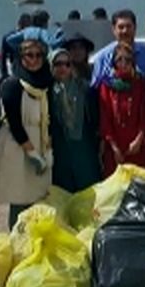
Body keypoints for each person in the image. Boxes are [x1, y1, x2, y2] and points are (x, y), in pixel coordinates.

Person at [0, 33, 55, 229]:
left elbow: (49, 120)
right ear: (20, 57)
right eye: (29, 55)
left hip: (39, 141)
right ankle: (16, 240)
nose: (34, 60)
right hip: (16, 147)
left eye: (38, 55)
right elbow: (14, 124)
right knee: (20, 199)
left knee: (37, 198)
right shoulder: (11, 85)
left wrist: (48, 150)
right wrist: (32, 153)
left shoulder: (46, 84)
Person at [99, 41, 145, 177]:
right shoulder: (106, 86)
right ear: (114, 62)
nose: (123, 63)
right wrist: (114, 147)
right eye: (119, 59)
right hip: (115, 149)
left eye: (127, 60)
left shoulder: (140, 84)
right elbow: (105, 117)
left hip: (137, 147)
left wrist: (139, 140)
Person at [49, 47, 100, 192]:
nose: (63, 68)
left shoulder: (85, 88)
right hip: (60, 149)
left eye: (67, 64)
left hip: (84, 146)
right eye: (58, 64)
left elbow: (94, 116)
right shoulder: (46, 92)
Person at [91, 9, 145, 88]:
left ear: (135, 28)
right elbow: (95, 88)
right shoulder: (102, 58)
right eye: (121, 27)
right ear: (114, 30)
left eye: (128, 26)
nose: (125, 31)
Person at [0, 12, 32, 78]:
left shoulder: (8, 36)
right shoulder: (31, 36)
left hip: (17, 65)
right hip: (19, 66)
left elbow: (3, 57)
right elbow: (3, 57)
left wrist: (4, 73)